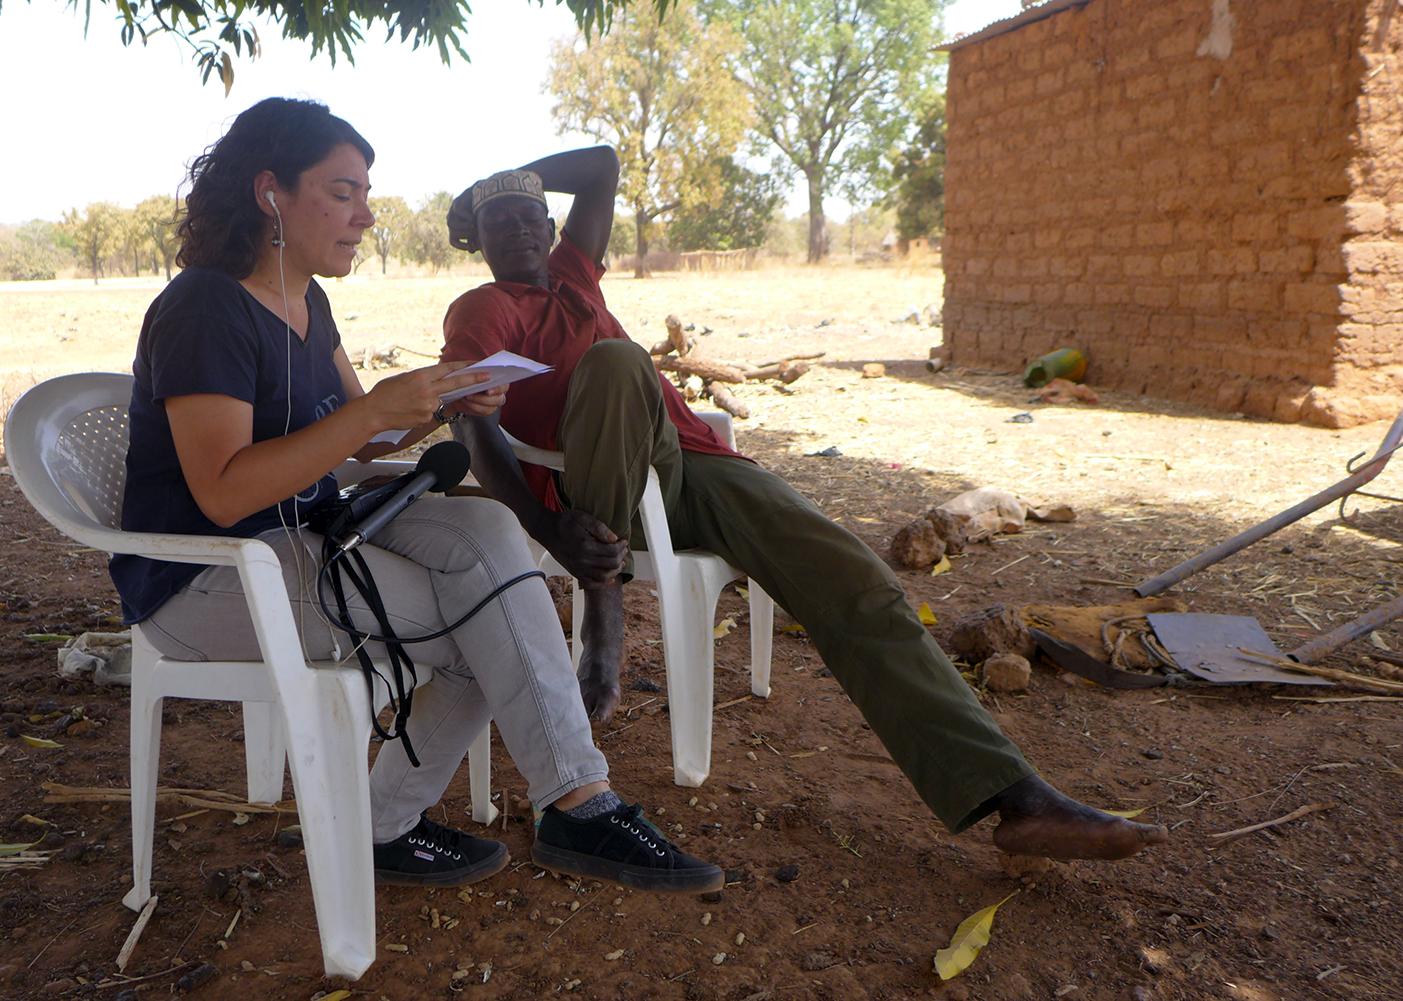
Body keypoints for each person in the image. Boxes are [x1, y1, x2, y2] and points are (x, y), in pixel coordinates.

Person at [440, 147, 1169, 861]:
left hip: (692, 466)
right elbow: (473, 425)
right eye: (497, 222)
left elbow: (600, 165)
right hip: (594, 505)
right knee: (618, 359)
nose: (518, 231)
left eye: (529, 215)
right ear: (480, 243)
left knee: (848, 570)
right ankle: (605, 602)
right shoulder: (482, 307)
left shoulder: (575, 274)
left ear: (548, 223)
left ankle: (1016, 793)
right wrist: (549, 530)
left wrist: (497, 177)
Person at [108, 100, 723, 894]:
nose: (366, 214)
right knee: (491, 617)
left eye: (366, 192)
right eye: (342, 192)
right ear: (270, 193)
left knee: (486, 535)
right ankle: (564, 802)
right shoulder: (203, 308)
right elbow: (224, 493)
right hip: (212, 576)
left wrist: (440, 403)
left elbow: (359, 440)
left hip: (305, 539)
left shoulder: (307, 300)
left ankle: (429, 817)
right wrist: (372, 412)